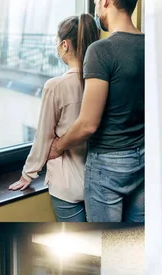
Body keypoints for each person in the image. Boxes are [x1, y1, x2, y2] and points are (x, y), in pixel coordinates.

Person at [48, 0, 145, 223]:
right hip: (143, 159)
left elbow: (88, 124)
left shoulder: (100, 50)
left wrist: (58, 145)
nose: (95, 10)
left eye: (95, 2)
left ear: (105, 1)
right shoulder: (150, 45)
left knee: (108, 245)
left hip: (108, 166)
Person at [9, 15, 99, 222]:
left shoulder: (56, 86)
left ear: (65, 45)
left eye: (56, 42)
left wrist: (28, 174)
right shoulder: (100, 82)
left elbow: (44, 136)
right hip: (98, 182)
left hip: (66, 184)